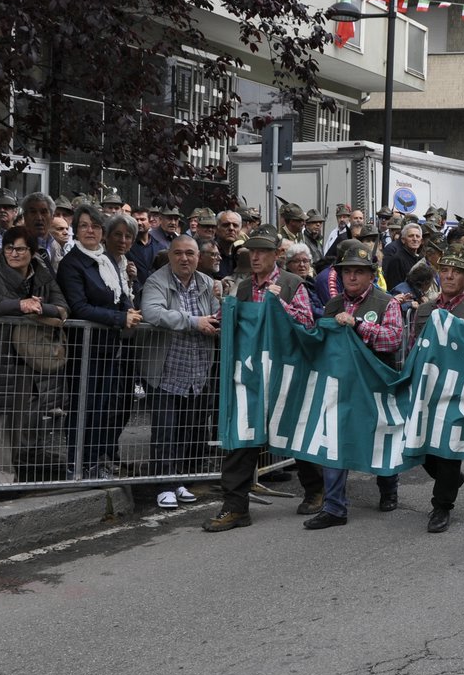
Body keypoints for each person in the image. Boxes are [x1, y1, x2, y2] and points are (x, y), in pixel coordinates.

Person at [204, 225, 322, 532]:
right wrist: (221, 315)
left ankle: (317, 490)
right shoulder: (242, 287)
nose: (254, 257)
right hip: (252, 372)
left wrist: (278, 304)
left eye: (261, 252)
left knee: (294, 430)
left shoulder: (292, 283)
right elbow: (231, 325)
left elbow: (308, 324)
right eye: (251, 252)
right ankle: (235, 507)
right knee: (242, 435)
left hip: (285, 371)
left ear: (276, 255)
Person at [302, 243, 405, 529]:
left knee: (381, 436)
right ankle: (334, 506)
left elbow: (393, 340)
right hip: (341, 384)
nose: (352, 277)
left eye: (359, 272)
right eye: (347, 272)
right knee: (334, 438)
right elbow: (320, 341)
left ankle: (389, 487)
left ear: (371, 276)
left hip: (376, 382)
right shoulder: (333, 305)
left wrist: (359, 325)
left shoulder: (387, 303)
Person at [0, 224, 70, 483]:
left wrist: (39, 309)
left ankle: (11, 476)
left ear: (32, 251)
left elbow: (62, 307)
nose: (14, 254)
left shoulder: (42, 273)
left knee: (18, 420)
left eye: (21, 249)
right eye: (9, 248)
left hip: (27, 360)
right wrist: (18, 306)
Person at [408, 246, 464, 534]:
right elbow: (414, 346)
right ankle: (450, 480)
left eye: (456, 272)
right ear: (438, 274)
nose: (450, 276)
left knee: (449, 448)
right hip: (427, 387)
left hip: (458, 389)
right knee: (423, 446)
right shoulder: (426, 309)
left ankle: (441, 506)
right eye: (445, 270)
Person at [57, 205, 142, 479]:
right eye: (84, 226)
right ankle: (76, 465)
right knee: (84, 408)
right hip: (85, 348)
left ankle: (94, 462)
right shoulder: (72, 263)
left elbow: (119, 296)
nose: (90, 230)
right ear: (76, 230)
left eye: (94, 225)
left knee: (102, 408)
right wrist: (119, 319)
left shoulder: (105, 260)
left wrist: (129, 310)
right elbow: (79, 307)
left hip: (109, 348)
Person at [139, 235, 222, 509]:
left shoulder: (207, 283)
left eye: (190, 253)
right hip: (166, 370)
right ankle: (162, 485)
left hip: (197, 370)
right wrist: (194, 322)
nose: (184, 258)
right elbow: (152, 312)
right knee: (165, 430)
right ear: (170, 255)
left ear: (198, 257)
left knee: (187, 430)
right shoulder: (156, 281)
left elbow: (216, 314)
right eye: (178, 253)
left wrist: (215, 323)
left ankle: (179, 481)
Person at [383, 221, 425, 290]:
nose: (415, 239)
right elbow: (395, 288)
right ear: (403, 240)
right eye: (411, 236)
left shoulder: (421, 259)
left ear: (421, 241)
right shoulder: (396, 260)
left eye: (417, 236)